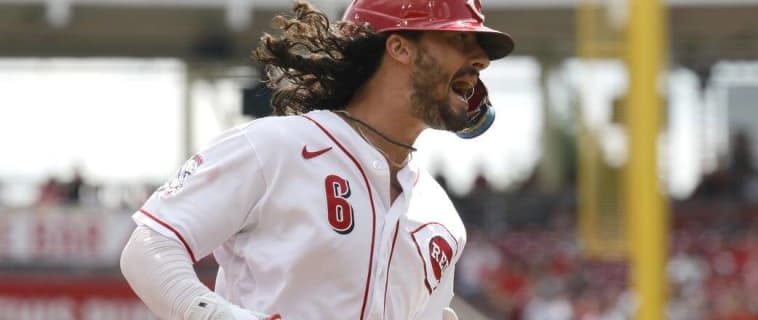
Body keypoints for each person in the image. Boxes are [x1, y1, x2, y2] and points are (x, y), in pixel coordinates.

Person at [119, 0, 514, 319]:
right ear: (399, 47)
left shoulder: (441, 214)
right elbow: (149, 248)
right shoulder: (277, 146)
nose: (481, 61)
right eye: (461, 41)